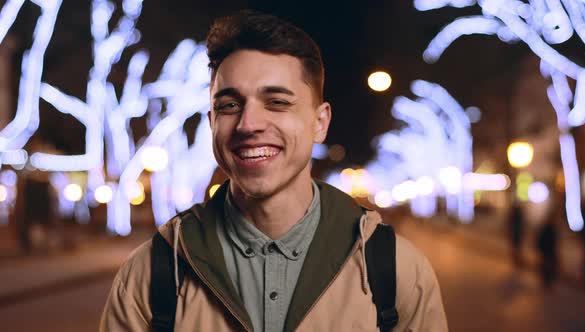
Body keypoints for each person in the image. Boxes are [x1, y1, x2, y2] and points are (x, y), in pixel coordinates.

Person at [100, 10, 447, 331]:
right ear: (212, 122)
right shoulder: (151, 273)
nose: (248, 124)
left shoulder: (395, 271)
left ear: (320, 122)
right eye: (229, 105)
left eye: (277, 102)